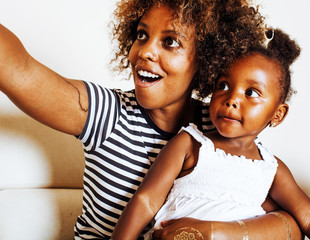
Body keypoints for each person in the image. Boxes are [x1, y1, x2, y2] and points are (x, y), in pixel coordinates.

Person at [0, 0, 303, 239]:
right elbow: (18, 70)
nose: (144, 51)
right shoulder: (107, 113)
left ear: (208, 58)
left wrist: (213, 233)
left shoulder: (220, 125)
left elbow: (283, 220)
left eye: (170, 42)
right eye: (142, 35)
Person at [112, 28, 310, 240]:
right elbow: (146, 200)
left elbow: (305, 215)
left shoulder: (272, 168)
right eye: (223, 85)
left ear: (278, 115)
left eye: (251, 92)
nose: (231, 99)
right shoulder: (190, 144)